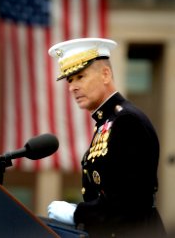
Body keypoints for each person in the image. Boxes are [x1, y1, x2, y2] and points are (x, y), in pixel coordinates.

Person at [47, 38, 166, 238]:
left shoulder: (127, 121)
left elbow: (129, 204)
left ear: (105, 74)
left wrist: (77, 213)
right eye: (70, 80)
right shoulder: (109, 122)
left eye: (80, 76)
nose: (72, 87)